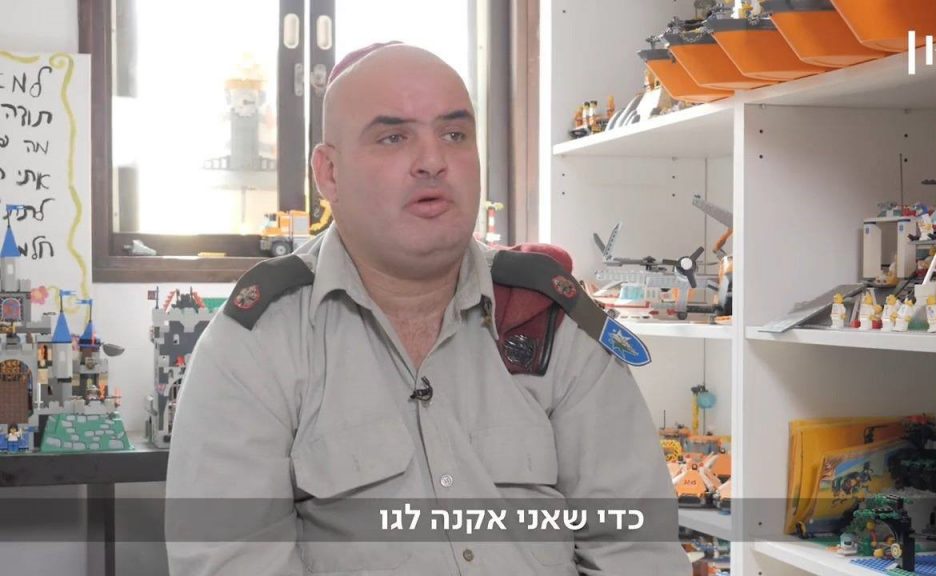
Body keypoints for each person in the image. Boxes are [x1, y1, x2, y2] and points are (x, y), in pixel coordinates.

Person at [165, 42, 689, 576]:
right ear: (329, 173)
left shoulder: (551, 322)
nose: (433, 160)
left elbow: (636, 549)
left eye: (454, 134)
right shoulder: (256, 343)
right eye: (393, 137)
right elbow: (233, 561)